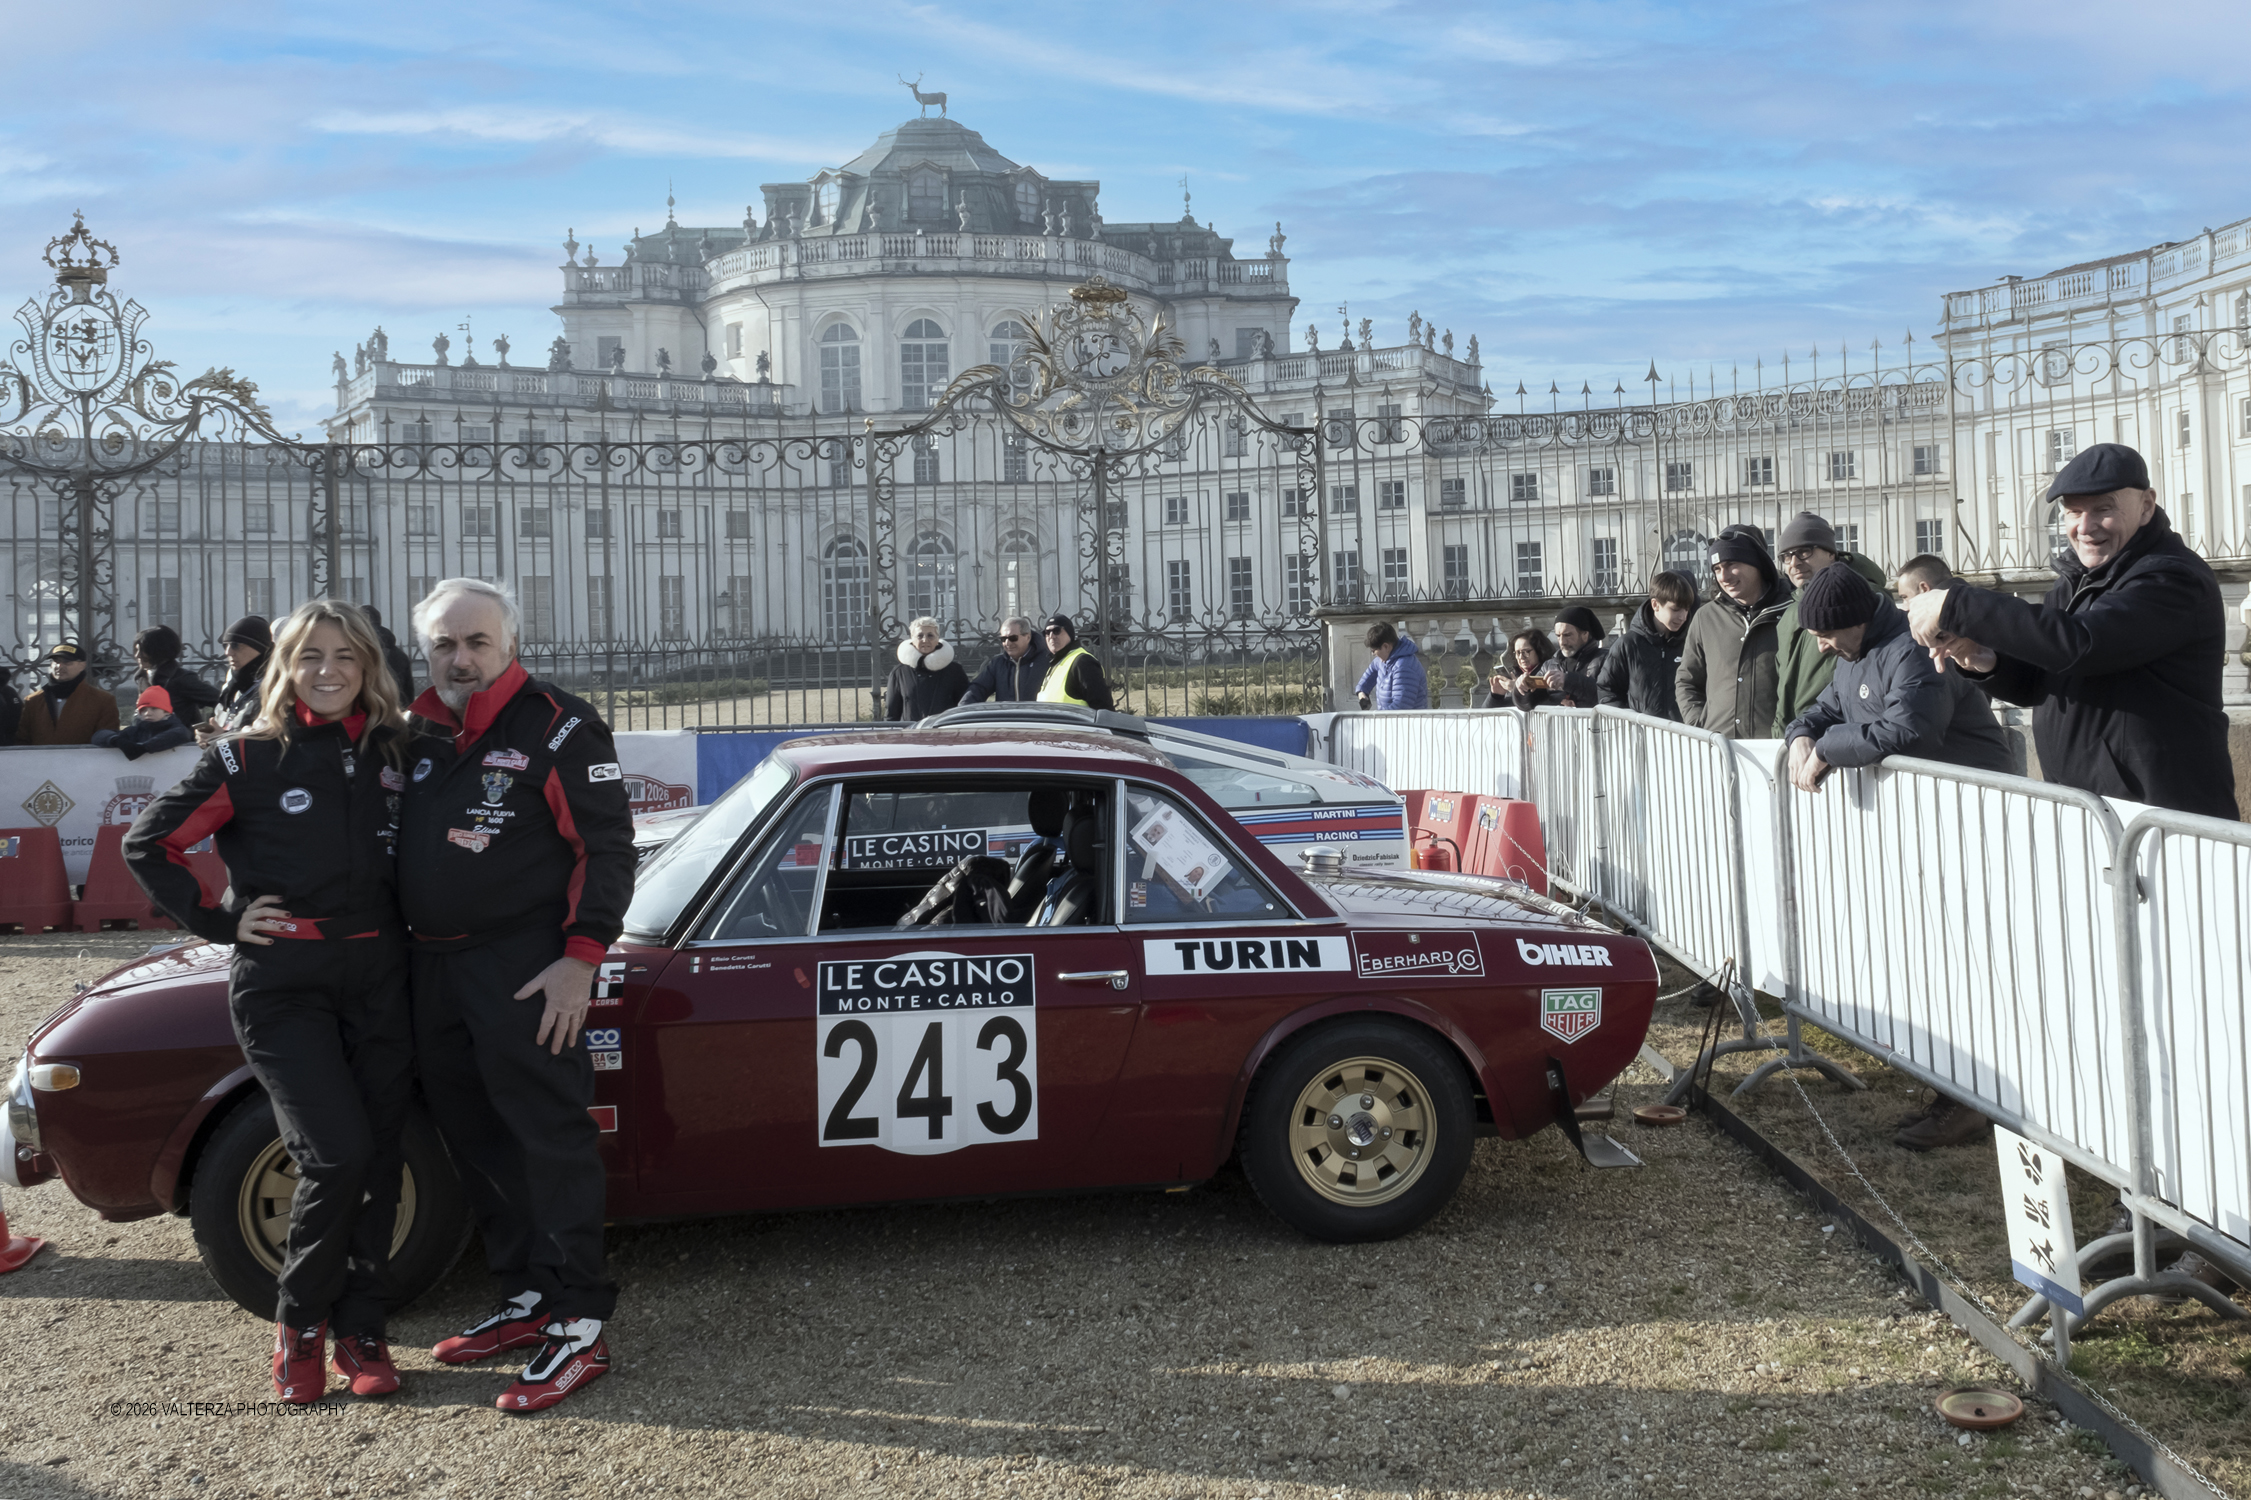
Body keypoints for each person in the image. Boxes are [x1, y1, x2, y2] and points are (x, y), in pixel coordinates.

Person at [122, 600, 421, 1403]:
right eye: (312, 656)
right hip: (284, 987)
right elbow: (150, 843)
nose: (328, 672)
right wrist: (222, 920)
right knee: (336, 1153)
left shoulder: (401, 749)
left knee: (381, 1154)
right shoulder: (243, 761)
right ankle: (299, 1326)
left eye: (346, 658)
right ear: (285, 665)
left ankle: (364, 1332)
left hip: (384, 978)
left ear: (368, 668)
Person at [400, 577, 636, 1413]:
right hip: (432, 971)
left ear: (509, 644)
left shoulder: (560, 724)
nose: (460, 659)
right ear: (424, 649)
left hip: (527, 969)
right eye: (444, 644)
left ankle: (578, 1325)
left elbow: (607, 849)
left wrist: (581, 957)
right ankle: (527, 1297)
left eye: (477, 643)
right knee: (476, 1138)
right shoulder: (415, 730)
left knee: (548, 1137)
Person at [1907, 442, 2237, 819]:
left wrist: (1958, 604)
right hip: (2091, 807)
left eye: (2103, 509)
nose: (2085, 526)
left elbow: (2083, 644)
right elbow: (2040, 682)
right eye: (2073, 512)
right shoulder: (2076, 580)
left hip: (2159, 811)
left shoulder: (2172, 576)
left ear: (2146, 506)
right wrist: (1985, 658)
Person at [1769, 513, 1891, 735]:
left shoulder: (1860, 601)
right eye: (1786, 556)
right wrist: (1781, 733)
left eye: (1804, 552)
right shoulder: (1789, 612)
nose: (1794, 563)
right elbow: (1783, 687)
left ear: (1831, 553)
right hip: (1796, 737)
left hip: (1838, 737)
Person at [1675, 525, 1794, 738]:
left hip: (1776, 750)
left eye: (1731, 565)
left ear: (1757, 563)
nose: (1724, 576)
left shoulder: (1792, 612)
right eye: (1717, 569)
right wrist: (1698, 724)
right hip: (1719, 751)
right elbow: (1687, 680)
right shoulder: (1705, 618)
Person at [1598, 571, 1699, 720]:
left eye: (1687, 609)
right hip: (1641, 738)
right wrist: (1629, 722)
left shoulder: (1693, 643)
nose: (1683, 616)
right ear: (1655, 604)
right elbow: (1607, 690)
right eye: (1676, 609)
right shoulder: (1628, 645)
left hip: (1686, 737)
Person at [16, 642, 120, 745]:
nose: (59, 666)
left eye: (67, 662)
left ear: (82, 665)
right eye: (56, 661)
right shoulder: (33, 701)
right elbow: (22, 740)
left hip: (85, 760)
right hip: (40, 760)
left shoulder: (102, 701)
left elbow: (106, 740)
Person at [133, 625, 222, 728]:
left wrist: (212, 727)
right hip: (149, 738)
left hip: (180, 741)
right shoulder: (142, 677)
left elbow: (220, 700)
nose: (137, 655)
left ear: (159, 651)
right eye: (136, 650)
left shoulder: (182, 679)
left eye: (143, 651)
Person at [884, 617, 970, 722]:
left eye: (930, 635)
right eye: (920, 636)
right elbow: (892, 714)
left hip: (945, 732)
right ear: (912, 639)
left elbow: (965, 708)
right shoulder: (900, 672)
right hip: (910, 734)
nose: (925, 640)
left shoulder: (954, 671)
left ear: (937, 639)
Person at [204, 615, 273, 742]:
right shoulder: (232, 684)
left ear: (259, 648)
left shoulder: (276, 686)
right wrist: (208, 736)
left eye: (235, 645)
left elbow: (266, 741)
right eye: (225, 645)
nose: (228, 652)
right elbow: (225, 723)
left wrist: (222, 738)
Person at [958, 615, 1050, 703]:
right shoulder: (997, 664)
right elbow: (979, 688)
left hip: (1036, 718)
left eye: (1013, 638)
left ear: (1028, 637)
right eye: (1003, 639)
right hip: (1006, 718)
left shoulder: (1047, 661)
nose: (1007, 643)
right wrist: (964, 707)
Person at [92, 686, 196, 761]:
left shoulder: (177, 728)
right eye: (143, 709)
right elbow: (98, 735)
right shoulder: (135, 730)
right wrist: (117, 740)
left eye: (154, 708)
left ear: (166, 711)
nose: (148, 713)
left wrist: (143, 748)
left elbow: (181, 734)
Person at [1036, 614, 1115, 710]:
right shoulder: (1055, 664)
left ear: (1069, 633)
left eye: (1056, 631)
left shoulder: (1083, 662)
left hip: (1076, 725)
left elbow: (1103, 707)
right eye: (1047, 632)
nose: (1051, 636)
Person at [1354, 622, 1429, 710]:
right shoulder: (1381, 661)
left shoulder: (1404, 667)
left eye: (1374, 650)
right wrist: (1362, 693)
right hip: (1389, 720)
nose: (1373, 654)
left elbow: (1400, 708)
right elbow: (1366, 679)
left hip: (1407, 722)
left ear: (1386, 646)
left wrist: (1377, 720)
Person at [1546, 606, 1608, 706]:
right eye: (1558, 636)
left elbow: (1609, 695)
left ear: (1585, 634)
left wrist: (1569, 681)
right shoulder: (1550, 664)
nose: (1562, 642)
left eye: (1567, 635)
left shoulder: (1607, 660)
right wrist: (1521, 690)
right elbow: (1532, 702)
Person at [1483, 629, 1562, 709]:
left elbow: (1551, 704)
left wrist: (1516, 690)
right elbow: (1485, 715)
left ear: (1539, 651)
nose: (1521, 657)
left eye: (1526, 652)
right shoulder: (1514, 674)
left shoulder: (1550, 671)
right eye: (1518, 652)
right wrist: (1496, 696)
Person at [365, 606, 416, 706]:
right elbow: (408, 689)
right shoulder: (399, 654)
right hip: (398, 708)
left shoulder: (360, 650)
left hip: (372, 709)